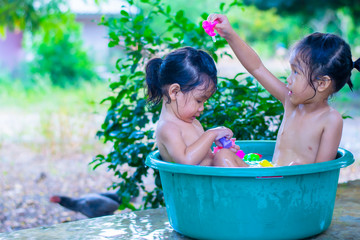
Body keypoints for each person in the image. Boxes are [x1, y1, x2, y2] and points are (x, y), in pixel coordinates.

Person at [207, 14, 360, 166]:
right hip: (270, 179)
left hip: (297, 187)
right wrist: (230, 34)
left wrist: (297, 171)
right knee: (223, 155)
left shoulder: (330, 120)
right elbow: (257, 67)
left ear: (322, 83)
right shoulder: (290, 100)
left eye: (296, 72)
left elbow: (322, 172)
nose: (288, 79)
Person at [145, 47, 248, 167]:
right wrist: (211, 134)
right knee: (223, 157)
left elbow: (205, 161)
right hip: (192, 185)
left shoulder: (194, 123)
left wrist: (222, 152)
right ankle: (256, 181)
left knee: (223, 155)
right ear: (174, 92)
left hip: (208, 182)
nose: (202, 108)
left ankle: (256, 178)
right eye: (199, 100)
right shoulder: (168, 128)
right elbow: (186, 160)